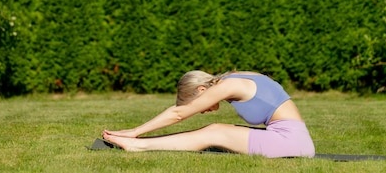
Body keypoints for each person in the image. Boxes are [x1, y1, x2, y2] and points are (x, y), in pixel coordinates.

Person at [102, 70, 315, 158]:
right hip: (293, 137)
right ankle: (138, 142)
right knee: (216, 129)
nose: (202, 109)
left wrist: (135, 132)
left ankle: (136, 145)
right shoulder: (237, 77)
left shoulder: (228, 85)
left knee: (214, 132)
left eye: (199, 103)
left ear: (202, 91)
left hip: (292, 142)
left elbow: (179, 114)